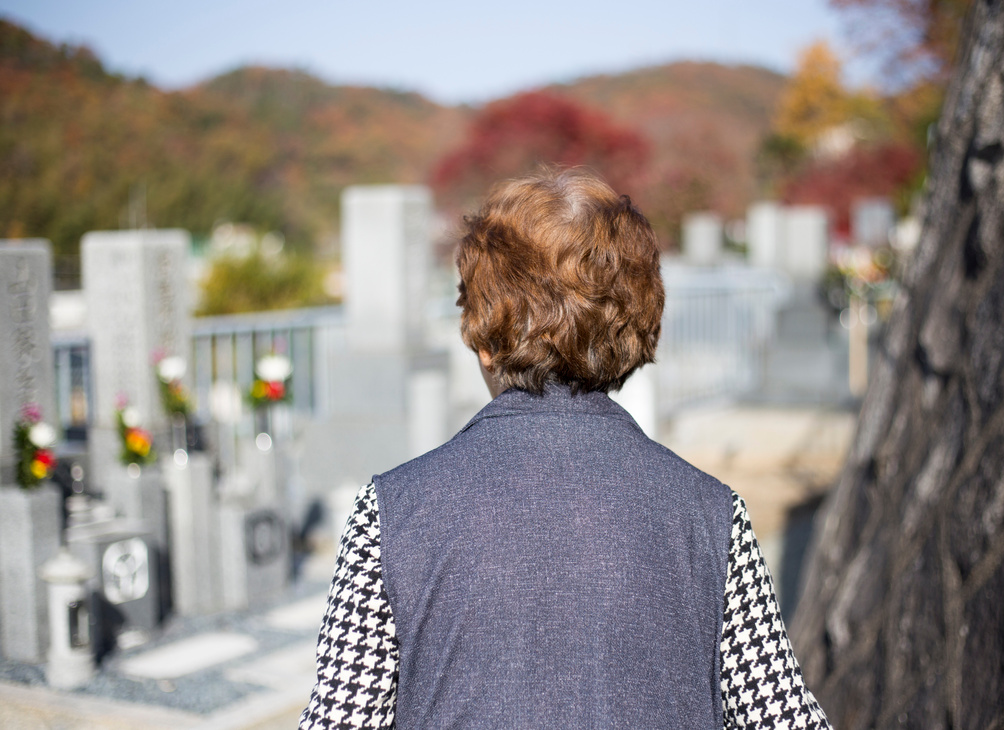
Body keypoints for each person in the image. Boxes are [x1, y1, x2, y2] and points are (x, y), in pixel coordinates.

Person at [299, 168, 831, 729]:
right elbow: (783, 716)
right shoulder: (709, 512)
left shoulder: (393, 511)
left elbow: (341, 718)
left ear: (482, 338)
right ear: (638, 326)